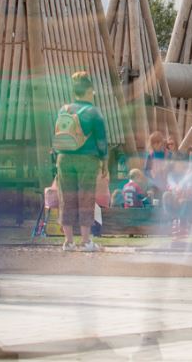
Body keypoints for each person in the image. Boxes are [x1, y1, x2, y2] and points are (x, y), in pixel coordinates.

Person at [55, 71, 108, 252]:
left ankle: (68, 242)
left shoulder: (64, 109)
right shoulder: (94, 112)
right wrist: (104, 161)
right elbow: (101, 141)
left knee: (66, 197)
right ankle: (85, 241)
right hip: (87, 159)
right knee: (86, 197)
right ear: (90, 90)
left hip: (64, 158)